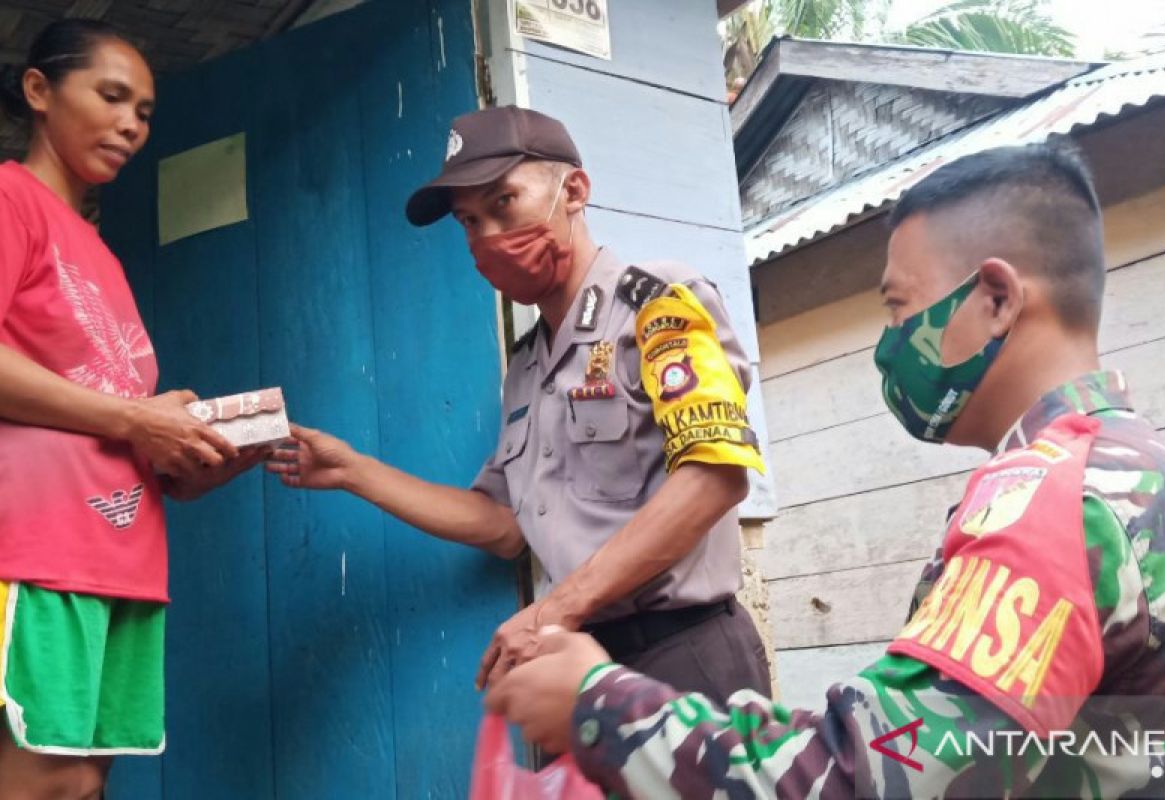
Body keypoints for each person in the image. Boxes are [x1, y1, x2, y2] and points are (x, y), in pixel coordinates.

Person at [484, 142, 1165, 798]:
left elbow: (864, 775)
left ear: (998, 298)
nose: (889, 344)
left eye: (899, 307)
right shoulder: (1144, 467)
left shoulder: (1052, 505)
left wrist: (598, 703)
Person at [268, 105, 772, 699]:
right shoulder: (527, 366)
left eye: (503, 203)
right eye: (469, 222)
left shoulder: (660, 305)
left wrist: (553, 609)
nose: (487, 237)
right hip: (581, 667)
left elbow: (716, 477)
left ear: (574, 190)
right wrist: (354, 472)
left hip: (685, 658)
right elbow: (505, 525)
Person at [0, 20, 263, 799]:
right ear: (40, 91)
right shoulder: (11, 199)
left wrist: (192, 451)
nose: (130, 125)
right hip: (33, 550)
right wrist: (134, 420)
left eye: (144, 112)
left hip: (122, 558)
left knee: (83, 784)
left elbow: (113, 421)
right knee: (39, 780)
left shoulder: (102, 253)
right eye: (111, 97)